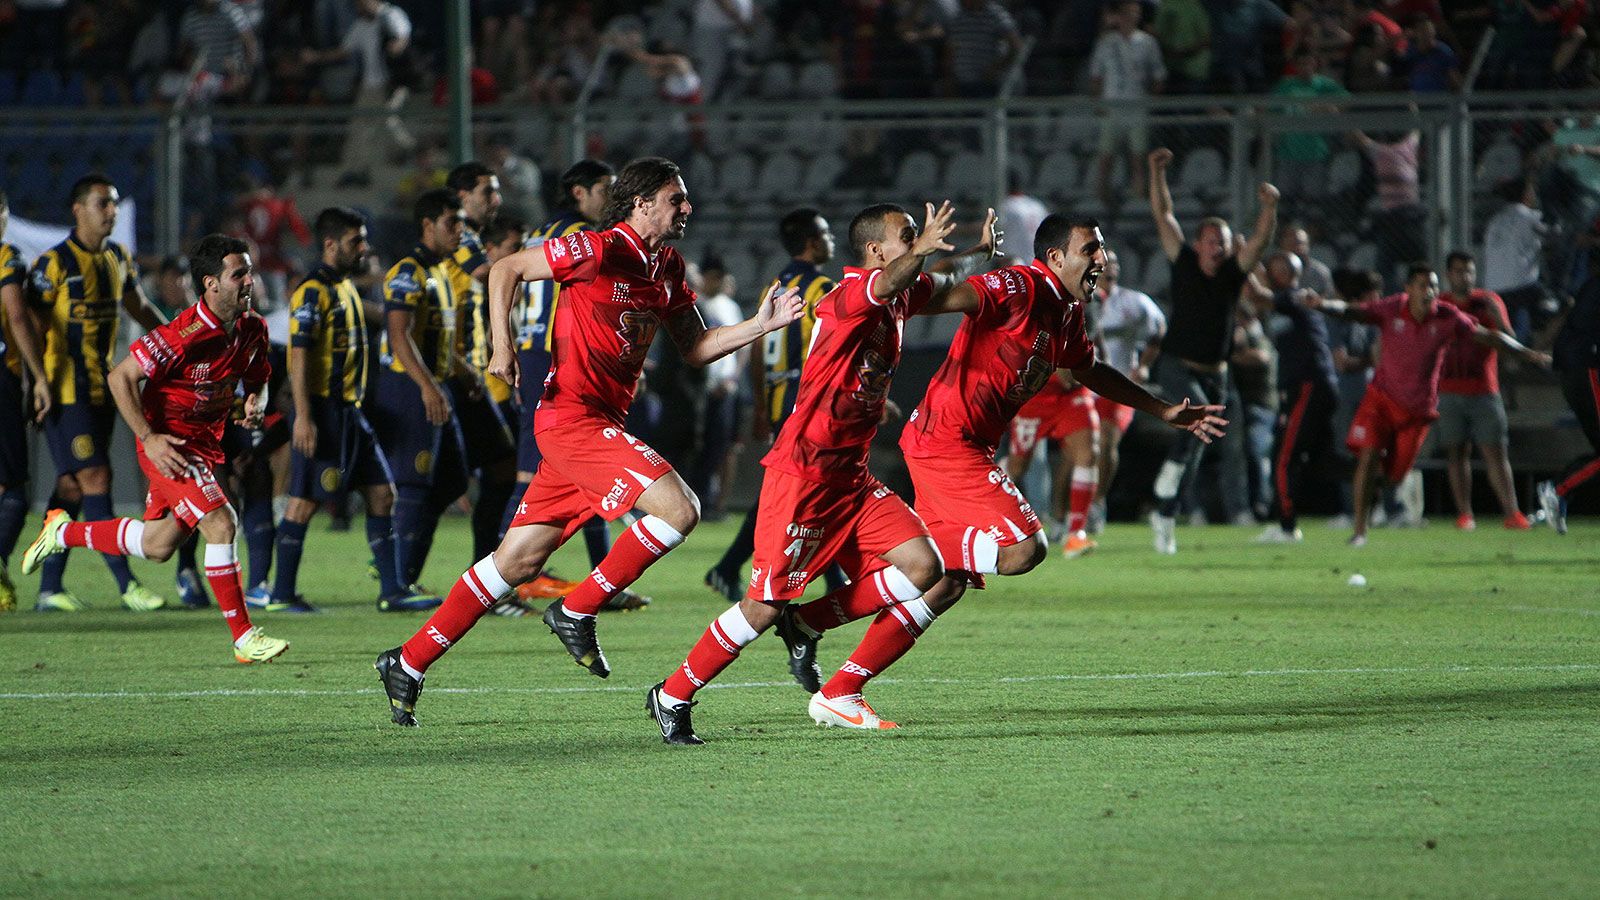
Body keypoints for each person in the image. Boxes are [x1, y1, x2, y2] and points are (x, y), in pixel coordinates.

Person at [374, 157, 804, 727]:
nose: (687, 207)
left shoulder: (667, 264)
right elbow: (506, 269)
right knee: (680, 509)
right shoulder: (597, 248)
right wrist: (502, 347)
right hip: (571, 420)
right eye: (675, 198)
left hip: (600, 425)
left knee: (517, 560)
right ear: (642, 203)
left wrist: (760, 325)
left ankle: (408, 660)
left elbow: (696, 347)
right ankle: (578, 608)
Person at [764, 214, 1226, 732]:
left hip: (964, 445)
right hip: (946, 442)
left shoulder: (1067, 314)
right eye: (1090, 249)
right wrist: (927, 269)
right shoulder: (1018, 287)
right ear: (1056, 258)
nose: (1101, 258)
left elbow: (1089, 369)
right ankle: (857, 589)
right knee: (1023, 548)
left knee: (945, 585)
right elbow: (937, 296)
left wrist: (1161, 409)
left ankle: (836, 679)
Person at [646, 201, 993, 744]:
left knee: (927, 567)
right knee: (761, 606)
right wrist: (923, 252)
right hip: (803, 476)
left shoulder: (899, 295)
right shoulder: (849, 294)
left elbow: (944, 281)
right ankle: (672, 694)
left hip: (852, 479)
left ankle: (809, 623)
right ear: (876, 251)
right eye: (907, 236)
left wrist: (977, 254)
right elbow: (892, 282)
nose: (917, 242)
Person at [19, 235, 289, 663]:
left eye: (250, 272)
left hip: (205, 444)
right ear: (211, 284)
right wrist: (149, 437)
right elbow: (120, 378)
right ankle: (244, 637)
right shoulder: (184, 333)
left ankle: (62, 531)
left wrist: (257, 400)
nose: (249, 282)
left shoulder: (251, 328)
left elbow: (259, 378)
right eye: (239, 274)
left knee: (159, 545)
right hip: (170, 446)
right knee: (221, 522)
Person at [263, 207, 437, 613]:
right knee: (304, 501)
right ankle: (281, 594)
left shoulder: (344, 287)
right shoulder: (311, 292)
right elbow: (299, 358)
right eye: (355, 240)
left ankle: (392, 591)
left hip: (352, 413)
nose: (363, 247)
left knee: (382, 494)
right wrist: (304, 417)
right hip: (324, 411)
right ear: (330, 244)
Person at [1306, 263, 1550, 545]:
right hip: (1380, 400)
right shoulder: (1392, 308)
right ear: (1408, 289)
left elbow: (1489, 336)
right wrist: (1322, 304)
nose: (1429, 291)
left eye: (1432, 285)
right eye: (1422, 285)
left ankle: (1362, 483)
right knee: (1368, 456)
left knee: (1393, 477)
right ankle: (1360, 531)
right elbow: (1352, 311)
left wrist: (1528, 354)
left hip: (1416, 411)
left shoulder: (1447, 317)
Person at [27, 174, 168, 611]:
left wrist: (176, 342)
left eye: (114, 204)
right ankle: (128, 585)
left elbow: (139, 307)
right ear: (78, 209)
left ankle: (49, 589)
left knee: (71, 486)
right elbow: (30, 328)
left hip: (101, 388)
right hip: (63, 391)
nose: (111, 211)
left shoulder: (118, 258)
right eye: (102, 203)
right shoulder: (52, 265)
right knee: (96, 478)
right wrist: (35, 381)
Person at [496, 159, 631, 607]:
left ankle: (602, 581)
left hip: (535, 350)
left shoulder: (539, 233)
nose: (612, 199)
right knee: (539, 469)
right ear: (579, 192)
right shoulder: (583, 238)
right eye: (605, 189)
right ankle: (505, 578)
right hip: (559, 356)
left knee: (581, 471)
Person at [704, 207, 847, 601]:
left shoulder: (774, 287)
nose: (831, 240)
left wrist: (763, 407)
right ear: (812, 242)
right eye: (826, 233)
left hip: (781, 404)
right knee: (812, 491)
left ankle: (729, 567)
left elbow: (755, 349)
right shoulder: (822, 288)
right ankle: (833, 580)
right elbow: (835, 349)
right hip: (808, 407)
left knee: (789, 492)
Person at [1146, 148, 1279, 553]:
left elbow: (1260, 241)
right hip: (1177, 365)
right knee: (1195, 423)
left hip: (1216, 373)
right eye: (1209, 241)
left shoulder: (1233, 274)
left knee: (1196, 447)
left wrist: (1269, 208)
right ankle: (1166, 491)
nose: (1215, 248)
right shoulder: (1183, 262)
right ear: (1198, 244)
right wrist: (1156, 173)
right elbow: (1163, 215)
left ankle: (1166, 513)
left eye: (1221, 242)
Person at [367, 188, 470, 593]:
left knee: (452, 480)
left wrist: (464, 372)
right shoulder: (408, 272)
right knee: (413, 482)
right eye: (452, 222)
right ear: (427, 225)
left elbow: (438, 339)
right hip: (407, 386)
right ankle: (398, 581)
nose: (459, 230)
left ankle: (401, 567)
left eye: (461, 222)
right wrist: (427, 386)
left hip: (435, 383)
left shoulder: (441, 271)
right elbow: (398, 335)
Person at [445, 161, 520, 566]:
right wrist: (540, 270)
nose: (497, 199)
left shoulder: (468, 239)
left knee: (500, 469)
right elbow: (488, 272)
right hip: (450, 373)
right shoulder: (461, 240)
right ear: (462, 196)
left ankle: (489, 570)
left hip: (470, 374)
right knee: (444, 482)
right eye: (487, 191)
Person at [1437, 251, 1530, 530]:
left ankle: (1512, 512)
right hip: (1448, 389)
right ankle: (1465, 514)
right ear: (1449, 274)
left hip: (1484, 390)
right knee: (1456, 453)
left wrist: (1498, 321)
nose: (1464, 277)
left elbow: (1510, 343)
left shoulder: (1488, 301)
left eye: (1468, 271)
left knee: (1495, 453)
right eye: (1458, 271)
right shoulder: (1440, 304)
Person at [1250, 251, 1338, 542]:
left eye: (1276, 269)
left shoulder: (1294, 297)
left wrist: (1243, 261)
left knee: (1284, 457)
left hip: (1308, 384)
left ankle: (1286, 526)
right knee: (1315, 458)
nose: (1270, 274)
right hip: (1305, 386)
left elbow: (1257, 295)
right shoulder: (1284, 305)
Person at [0, 191, 52, 612]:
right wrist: (39, 377)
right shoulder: (7, 257)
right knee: (14, 487)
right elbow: (17, 315)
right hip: (2, 377)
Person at [1089, 247, 1165, 530]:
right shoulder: (1079, 301)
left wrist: (1144, 365)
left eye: (1115, 262)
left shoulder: (1134, 302)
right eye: (1104, 262)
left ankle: (1097, 502)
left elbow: (1159, 330)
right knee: (1082, 452)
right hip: (1084, 387)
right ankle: (1069, 511)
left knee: (1107, 442)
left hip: (1118, 385)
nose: (1111, 267)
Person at [1004, 370, 1100, 556]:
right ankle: (981, 503)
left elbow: (1076, 374)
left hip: (1071, 395)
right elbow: (1067, 375)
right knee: (1018, 467)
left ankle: (1076, 535)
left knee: (1088, 454)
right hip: (1034, 397)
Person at [1538, 254, 1600, 534]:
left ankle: (1559, 491)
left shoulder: (1590, 287)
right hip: (1588, 369)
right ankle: (1558, 489)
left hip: (1576, 370)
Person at [1089, 0, 1165, 214]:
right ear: (1119, 16)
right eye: (1126, 13)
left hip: (1136, 106)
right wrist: (1098, 102)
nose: (1130, 17)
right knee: (1106, 155)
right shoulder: (1106, 42)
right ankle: (1101, 198)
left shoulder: (1147, 43)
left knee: (1138, 155)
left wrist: (1149, 101)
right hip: (1111, 105)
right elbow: (1096, 75)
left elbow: (1159, 75)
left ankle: (1138, 197)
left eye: (1134, 13)